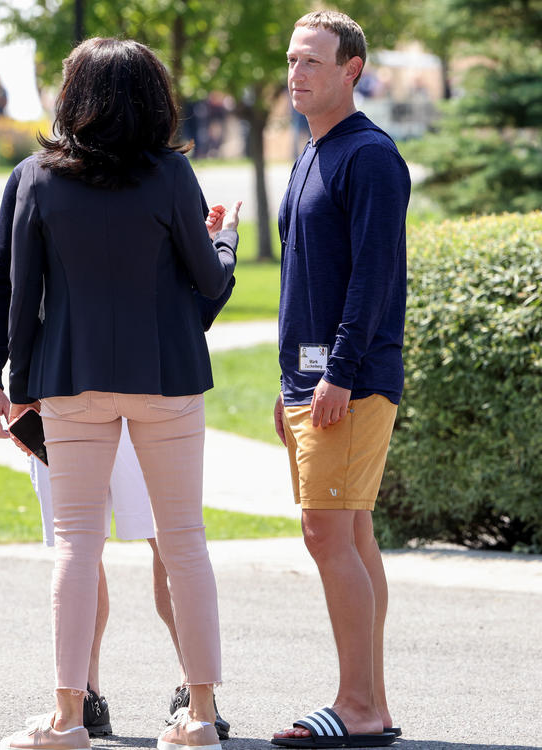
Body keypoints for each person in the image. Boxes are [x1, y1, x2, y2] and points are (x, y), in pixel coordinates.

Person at [0, 38, 239, 750]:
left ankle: (68, 718)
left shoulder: (39, 177)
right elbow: (208, 280)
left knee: (75, 545)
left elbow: (21, 296)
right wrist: (220, 246)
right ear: (154, 98)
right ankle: (199, 716)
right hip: (164, 376)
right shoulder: (171, 176)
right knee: (185, 541)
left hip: (70, 379)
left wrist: (19, 389)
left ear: (75, 97)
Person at [271, 10, 409, 750]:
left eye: (313, 62)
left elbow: (372, 280)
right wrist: (288, 382)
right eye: (293, 61)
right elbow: (306, 285)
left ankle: (354, 705)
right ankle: (373, 705)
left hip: (350, 381)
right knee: (350, 532)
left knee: (325, 531)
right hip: (311, 380)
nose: (297, 74)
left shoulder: (370, 157)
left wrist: (340, 375)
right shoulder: (310, 154)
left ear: (351, 70)